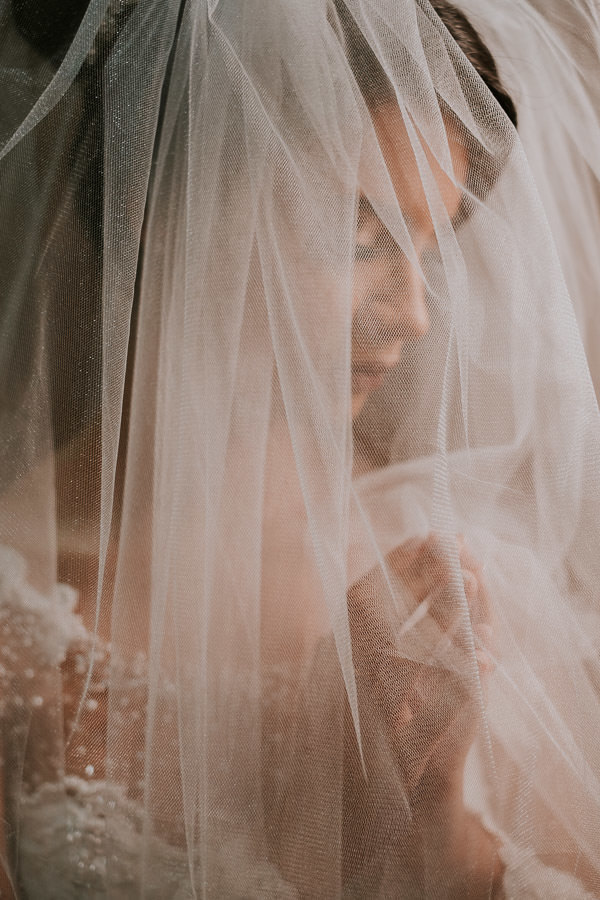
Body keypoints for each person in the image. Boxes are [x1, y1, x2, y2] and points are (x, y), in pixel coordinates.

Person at [1, 0, 600, 896]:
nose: (413, 313)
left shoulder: (443, 575)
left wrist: (431, 814)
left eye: (427, 247)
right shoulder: (16, 603)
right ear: (158, 204)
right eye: (357, 237)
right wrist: (323, 845)